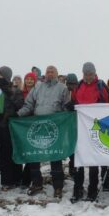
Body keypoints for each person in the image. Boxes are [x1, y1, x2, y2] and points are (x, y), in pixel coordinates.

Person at [17, 65, 71, 198]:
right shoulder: (38, 86)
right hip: (37, 126)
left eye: (52, 71)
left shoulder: (62, 88)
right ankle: (36, 183)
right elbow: (29, 104)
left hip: (54, 127)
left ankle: (58, 186)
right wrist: (18, 114)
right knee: (34, 156)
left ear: (57, 74)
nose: (50, 73)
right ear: (45, 74)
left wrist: (66, 117)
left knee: (55, 156)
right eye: (48, 71)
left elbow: (66, 107)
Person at [71, 62, 109, 203]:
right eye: (86, 73)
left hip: (95, 128)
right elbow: (74, 101)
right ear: (82, 74)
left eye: (90, 74)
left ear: (94, 73)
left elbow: (108, 105)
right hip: (80, 127)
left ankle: (92, 190)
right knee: (79, 159)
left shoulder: (101, 86)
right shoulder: (79, 86)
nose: (88, 76)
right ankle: (77, 189)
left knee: (93, 159)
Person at [0, 66, 25, 191]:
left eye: (1, 75)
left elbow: (20, 106)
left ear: (7, 76)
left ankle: (7, 181)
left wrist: (11, 96)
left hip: (8, 125)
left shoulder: (15, 90)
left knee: (7, 154)